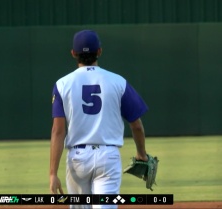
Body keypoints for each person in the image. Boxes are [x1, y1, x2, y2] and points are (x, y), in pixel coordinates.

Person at [50, 29, 149, 209]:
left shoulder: (62, 84)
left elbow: (58, 131)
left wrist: (52, 174)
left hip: (77, 158)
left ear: (73, 53)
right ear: (100, 51)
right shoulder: (118, 82)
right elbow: (136, 126)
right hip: (108, 157)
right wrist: (141, 153)